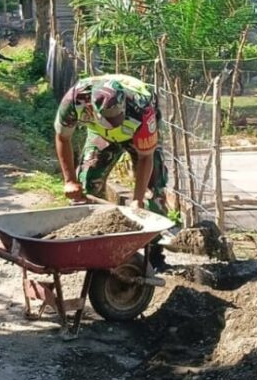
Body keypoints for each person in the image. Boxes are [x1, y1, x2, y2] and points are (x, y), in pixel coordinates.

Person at [54, 74, 170, 269]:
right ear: (92, 107)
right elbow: (62, 137)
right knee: (88, 184)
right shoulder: (75, 99)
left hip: (137, 134)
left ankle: (154, 252)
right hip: (101, 134)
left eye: (117, 117)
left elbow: (145, 157)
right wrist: (70, 180)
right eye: (110, 119)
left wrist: (138, 199)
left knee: (154, 193)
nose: (115, 121)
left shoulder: (142, 107)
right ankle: (95, 247)